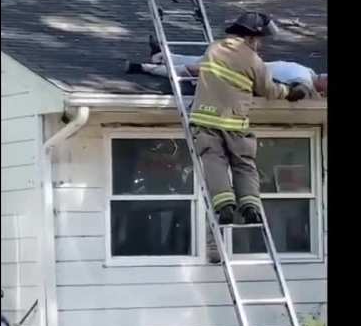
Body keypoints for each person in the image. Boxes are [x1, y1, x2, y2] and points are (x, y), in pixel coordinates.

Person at [188, 12, 305, 225]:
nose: (259, 45)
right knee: (243, 164)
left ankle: (224, 205)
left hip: (204, 118)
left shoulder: (212, 49)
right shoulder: (253, 60)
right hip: (234, 122)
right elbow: (268, 89)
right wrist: (290, 92)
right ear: (252, 37)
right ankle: (250, 207)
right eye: (259, 40)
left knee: (214, 161)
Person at [126, 39, 328, 97]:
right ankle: (159, 57)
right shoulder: (305, 78)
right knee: (199, 64)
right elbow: (300, 90)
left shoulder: (306, 74)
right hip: (245, 70)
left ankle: (144, 67)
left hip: (245, 74)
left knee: (197, 67)